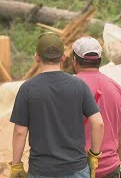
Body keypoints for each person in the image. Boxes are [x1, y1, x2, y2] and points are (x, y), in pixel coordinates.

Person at [9, 32, 104, 178]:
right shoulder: (79, 85)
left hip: (41, 170)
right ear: (63, 57)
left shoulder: (27, 89)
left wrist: (16, 165)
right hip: (76, 169)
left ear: (37, 57)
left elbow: (20, 131)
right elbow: (98, 123)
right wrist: (93, 156)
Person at [73, 37, 121, 178]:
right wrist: (114, 162)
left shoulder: (66, 88)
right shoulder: (117, 89)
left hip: (75, 169)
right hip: (110, 168)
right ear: (100, 60)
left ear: (74, 60)